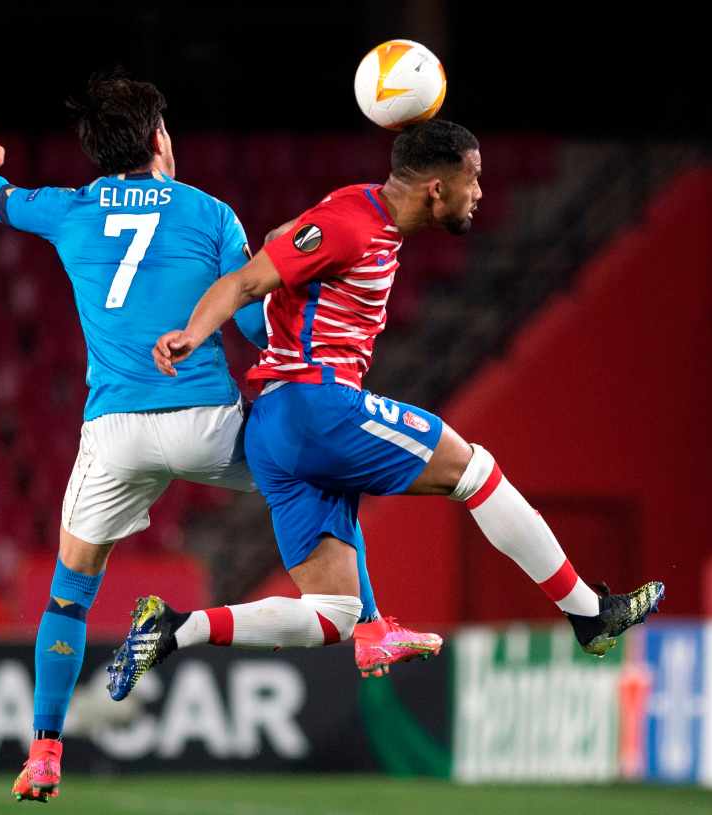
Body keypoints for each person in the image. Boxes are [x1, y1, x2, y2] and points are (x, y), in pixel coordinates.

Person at [0, 75, 437, 803]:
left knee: (69, 596)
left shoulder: (69, 210)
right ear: (157, 141)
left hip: (114, 434)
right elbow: (246, 321)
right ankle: (367, 627)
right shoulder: (210, 215)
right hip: (205, 422)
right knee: (325, 472)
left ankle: (44, 751)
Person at [110, 120, 664, 700]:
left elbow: (284, 239)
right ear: (435, 189)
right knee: (475, 471)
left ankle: (176, 628)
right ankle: (589, 613)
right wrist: (192, 334)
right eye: (472, 180)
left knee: (332, 614)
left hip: (275, 432)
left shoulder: (355, 209)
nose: (480, 193)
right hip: (316, 404)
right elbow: (249, 282)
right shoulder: (352, 223)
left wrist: (287, 245)